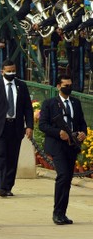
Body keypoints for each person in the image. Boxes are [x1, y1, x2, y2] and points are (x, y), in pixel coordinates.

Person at [0, 59, 34, 197]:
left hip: (15, 127)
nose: (11, 73)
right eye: (8, 71)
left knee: (12, 158)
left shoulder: (21, 86)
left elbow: (28, 107)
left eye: (13, 71)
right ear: (2, 71)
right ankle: (1, 186)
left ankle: (8, 186)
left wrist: (29, 126)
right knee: (0, 157)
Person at [39, 74, 87, 225]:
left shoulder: (76, 103)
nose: (69, 87)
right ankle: (57, 212)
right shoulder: (49, 103)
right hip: (57, 145)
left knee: (67, 179)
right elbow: (43, 125)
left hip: (72, 145)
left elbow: (82, 122)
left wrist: (82, 133)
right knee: (63, 176)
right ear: (58, 86)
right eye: (65, 85)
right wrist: (58, 133)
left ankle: (63, 213)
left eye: (70, 84)